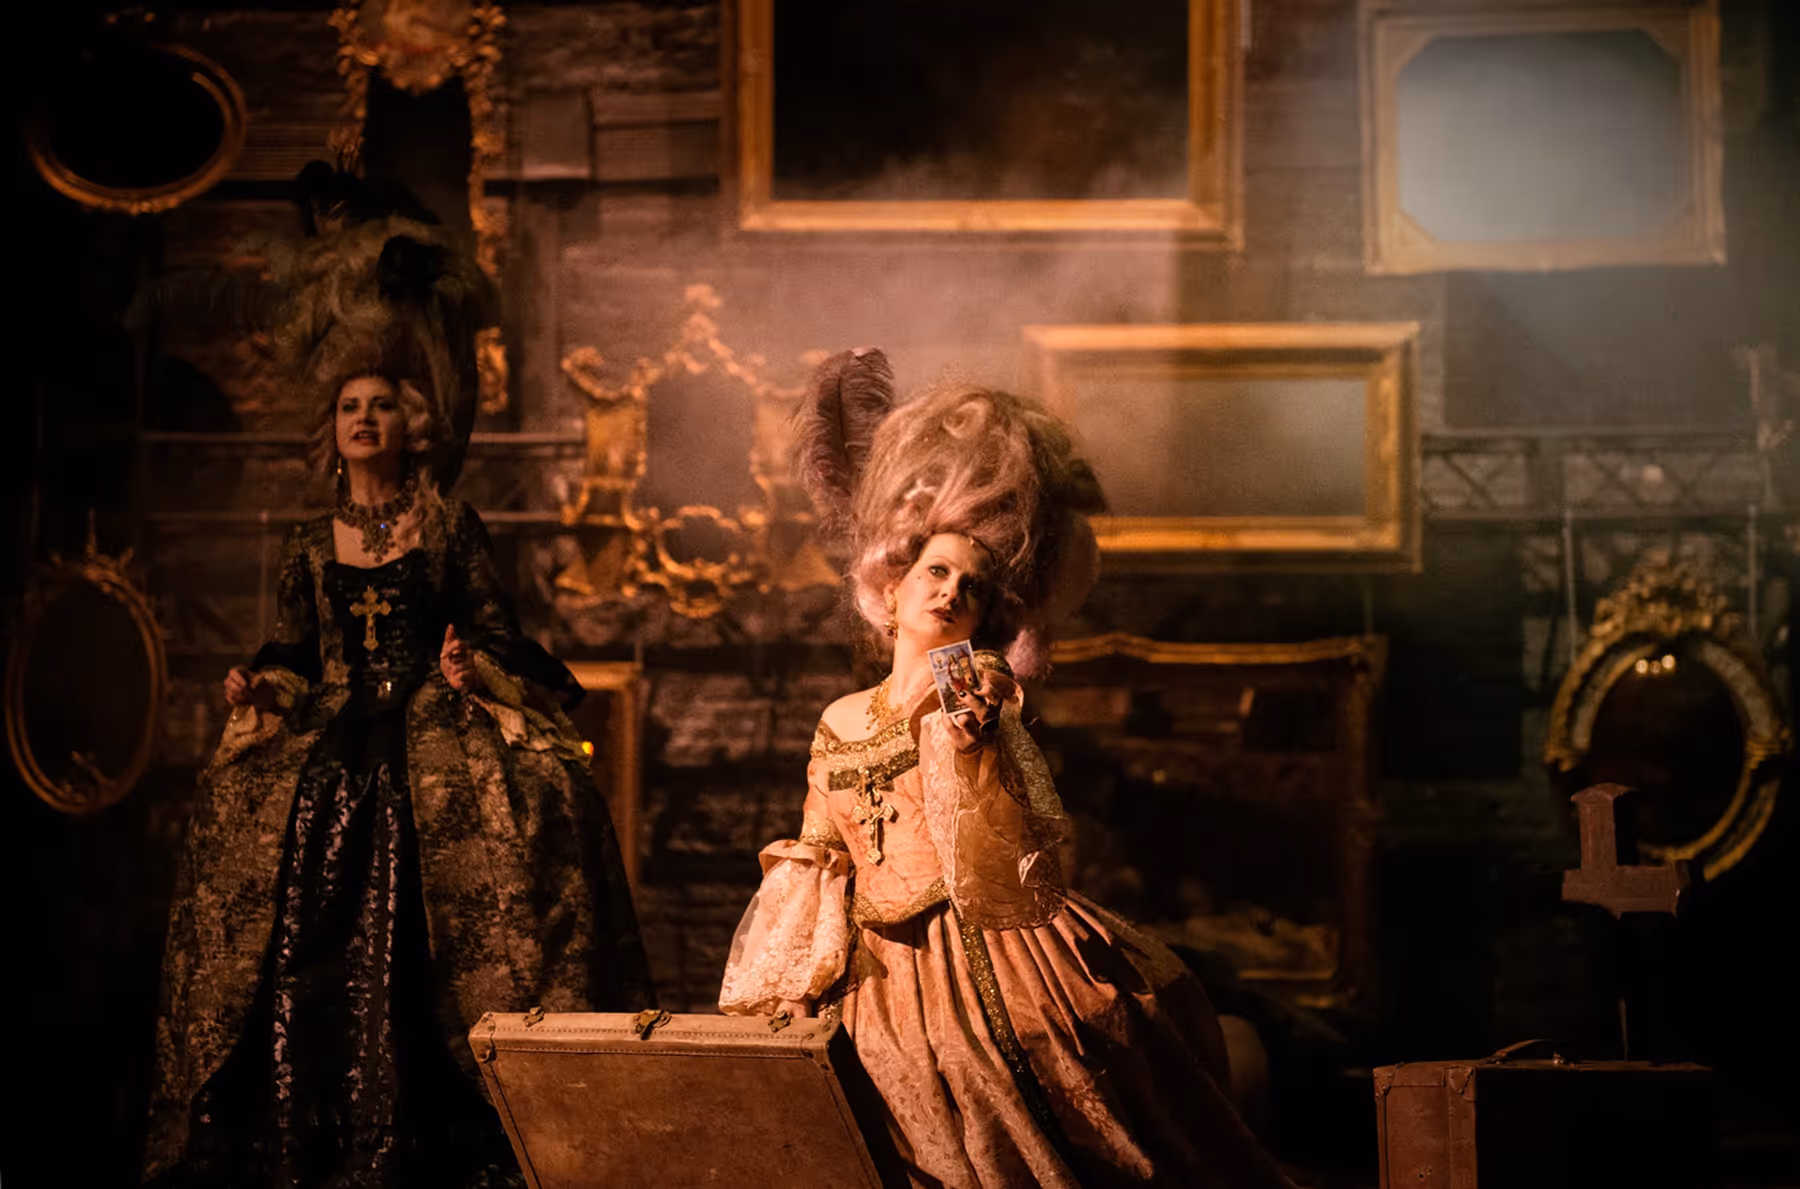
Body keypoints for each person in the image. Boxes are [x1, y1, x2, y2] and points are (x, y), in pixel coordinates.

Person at [144, 181, 651, 1188]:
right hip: (334, 723)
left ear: (412, 424)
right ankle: (301, 1119)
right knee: (285, 813)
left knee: (509, 814)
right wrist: (264, 679)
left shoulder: (451, 525)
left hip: (432, 715)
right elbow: (295, 648)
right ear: (330, 429)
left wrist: (474, 669)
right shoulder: (305, 543)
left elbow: (499, 624)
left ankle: (467, 1113)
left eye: (381, 405)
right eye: (349, 408)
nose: (365, 418)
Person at [719, 350, 1295, 1188]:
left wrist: (972, 735)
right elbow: (818, 857)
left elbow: (1003, 834)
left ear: (990, 615)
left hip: (986, 939)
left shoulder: (975, 684)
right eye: (936, 571)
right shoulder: (840, 718)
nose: (951, 591)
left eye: (974, 586)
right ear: (893, 582)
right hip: (878, 967)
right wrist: (796, 977)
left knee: (1026, 1056)